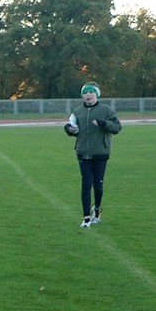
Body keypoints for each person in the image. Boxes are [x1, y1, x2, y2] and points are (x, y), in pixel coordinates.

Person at [65, 82, 121, 228]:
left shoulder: (106, 110)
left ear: (96, 94)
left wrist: (103, 123)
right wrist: (69, 129)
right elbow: (75, 128)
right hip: (83, 153)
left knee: (98, 185)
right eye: (85, 93)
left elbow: (116, 127)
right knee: (86, 184)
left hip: (100, 153)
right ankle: (86, 218)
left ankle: (97, 210)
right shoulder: (78, 111)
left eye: (90, 92)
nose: (88, 95)